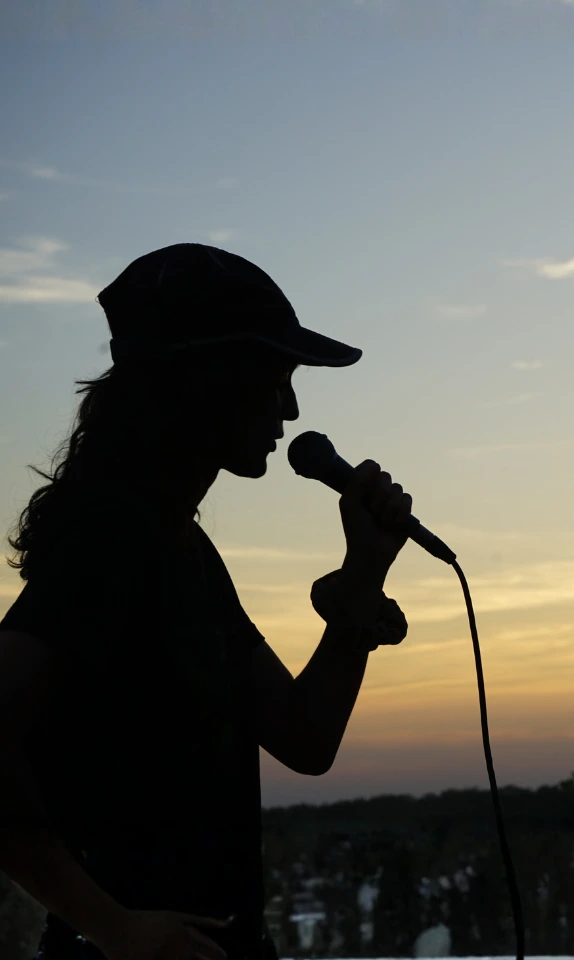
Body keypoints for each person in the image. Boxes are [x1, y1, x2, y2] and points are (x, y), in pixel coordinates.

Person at [0, 243, 413, 960]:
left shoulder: (182, 548)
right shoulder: (113, 539)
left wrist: (363, 577)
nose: (290, 406)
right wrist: (113, 928)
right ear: (206, 379)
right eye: (277, 376)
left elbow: (304, 739)